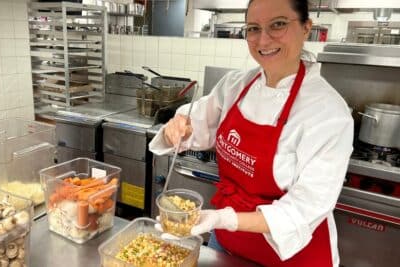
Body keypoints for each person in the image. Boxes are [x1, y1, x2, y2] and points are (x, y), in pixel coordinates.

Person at [149, 0, 353, 266]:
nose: (263, 39)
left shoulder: (328, 112)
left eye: (278, 24)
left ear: (306, 28)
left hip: (291, 256)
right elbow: (191, 127)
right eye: (253, 28)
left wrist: (224, 218)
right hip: (226, 247)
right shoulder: (235, 86)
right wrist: (174, 129)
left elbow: (303, 210)